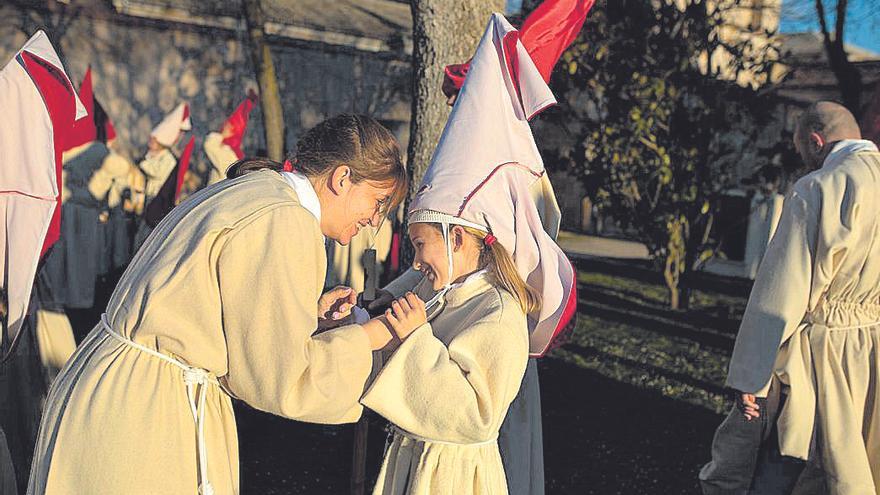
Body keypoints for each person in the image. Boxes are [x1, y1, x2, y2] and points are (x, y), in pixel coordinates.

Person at [27, 114, 407, 495]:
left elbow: (214, 308)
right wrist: (368, 338)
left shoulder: (259, 190)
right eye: (377, 202)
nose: (374, 220)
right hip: (149, 411)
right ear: (342, 179)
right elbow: (281, 379)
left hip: (115, 388)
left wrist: (307, 317)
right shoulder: (285, 218)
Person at [361, 13, 576, 495]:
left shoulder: (496, 306)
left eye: (420, 244)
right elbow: (410, 291)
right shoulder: (445, 272)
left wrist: (413, 338)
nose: (454, 104)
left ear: (458, 237)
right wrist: (366, 310)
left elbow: (474, 412)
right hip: (421, 455)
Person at [700, 101, 880, 494]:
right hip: (873, 349)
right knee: (857, 461)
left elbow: (781, 292)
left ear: (816, 142)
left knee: (791, 458)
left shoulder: (819, 188)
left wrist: (751, 376)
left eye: (804, 152)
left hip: (821, 356)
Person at [140, 101, 191, 203]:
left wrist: (143, 164)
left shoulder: (169, 158)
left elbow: (157, 173)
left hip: (159, 196)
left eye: (154, 142)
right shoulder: (151, 155)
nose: (151, 143)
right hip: (149, 194)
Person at [204, 91, 257, 186]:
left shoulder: (227, 152)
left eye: (228, 126)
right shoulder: (232, 152)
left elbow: (209, 145)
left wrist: (222, 136)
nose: (225, 126)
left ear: (232, 131)